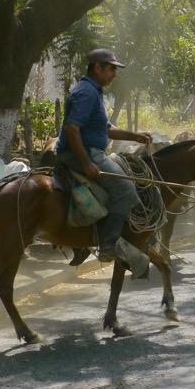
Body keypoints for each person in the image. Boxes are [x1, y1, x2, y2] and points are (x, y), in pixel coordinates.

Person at [56, 48, 152, 277]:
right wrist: (86, 162)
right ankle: (108, 245)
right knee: (126, 188)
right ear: (97, 67)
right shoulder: (87, 92)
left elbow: (106, 129)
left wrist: (134, 136)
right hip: (83, 153)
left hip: (92, 151)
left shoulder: (94, 92)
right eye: (111, 69)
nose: (114, 75)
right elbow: (72, 129)